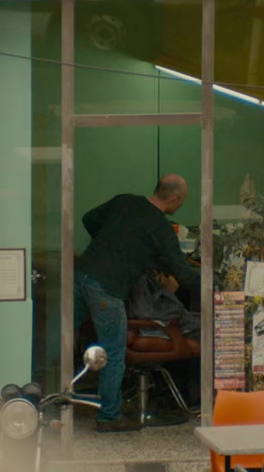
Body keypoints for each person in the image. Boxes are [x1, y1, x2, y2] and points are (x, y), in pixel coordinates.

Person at [76, 174, 201, 433]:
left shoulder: (126, 201)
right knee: (113, 352)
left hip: (82, 274)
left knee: (64, 339)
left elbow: (89, 219)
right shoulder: (161, 228)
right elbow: (182, 273)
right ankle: (109, 417)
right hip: (107, 287)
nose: (180, 205)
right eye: (182, 201)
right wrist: (215, 285)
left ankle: (45, 398)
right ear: (174, 198)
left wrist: (111, 245)